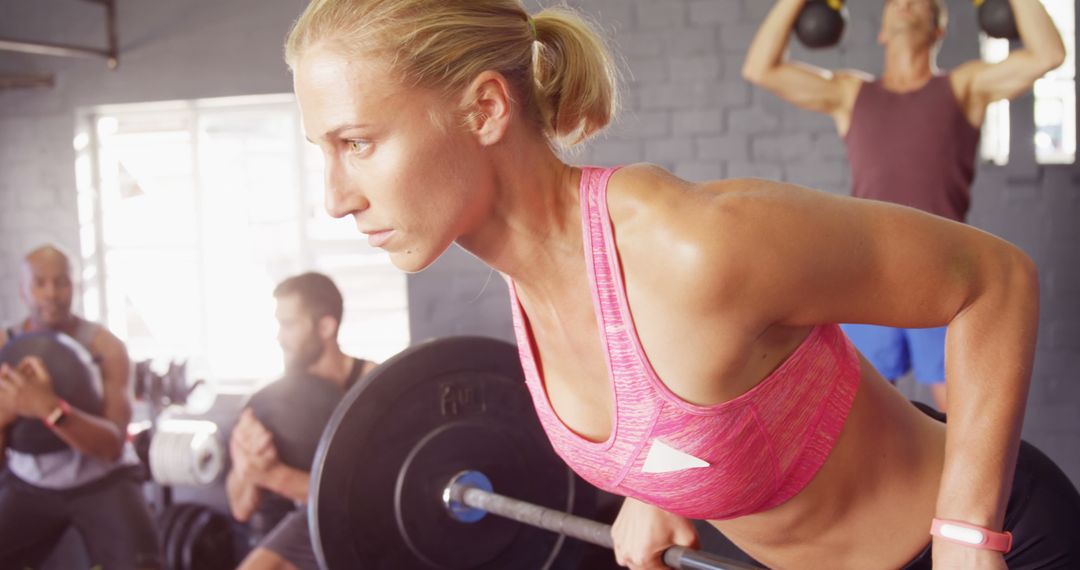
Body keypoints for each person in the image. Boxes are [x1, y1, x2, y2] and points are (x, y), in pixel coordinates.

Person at [285, 1, 1080, 569]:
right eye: (324, 149)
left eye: (357, 142)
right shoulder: (532, 280)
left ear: (486, 108)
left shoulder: (697, 246)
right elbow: (699, 396)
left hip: (992, 545)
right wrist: (658, 487)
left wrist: (967, 535)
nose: (335, 195)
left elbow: (997, 280)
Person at [741, 0, 1065, 412]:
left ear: (938, 31)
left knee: (959, 420)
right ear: (881, 30)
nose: (907, 3)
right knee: (856, 416)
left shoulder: (965, 87)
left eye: (921, 2)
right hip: (867, 275)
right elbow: (760, 67)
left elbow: (1048, 54)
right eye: (897, 2)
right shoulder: (850, 93)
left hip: (944, 272)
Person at [0, 244, 162, 569]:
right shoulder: (4, 346)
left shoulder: (106, 347)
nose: (52, 294)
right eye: (40, 283)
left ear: (74, 286)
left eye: (62, 282)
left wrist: (49, 409)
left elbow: (111, 446)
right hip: (30, 484)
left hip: (103, 481)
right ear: (22, 290)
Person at [227, 271, 377, 570]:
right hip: (305, 521)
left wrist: (274, 476)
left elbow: (371, 500)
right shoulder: (270, 403)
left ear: (326, 326)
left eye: (289, 324)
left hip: (366, 523)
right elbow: (241, 507)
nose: (279, 337)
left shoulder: (375, 388)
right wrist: (250, 463)